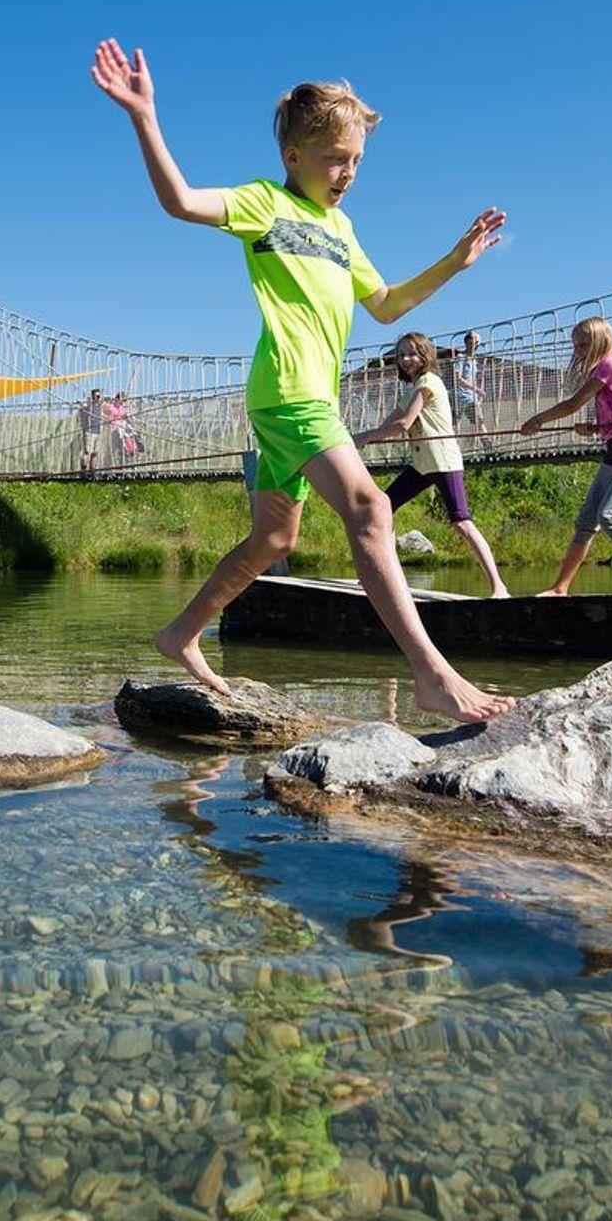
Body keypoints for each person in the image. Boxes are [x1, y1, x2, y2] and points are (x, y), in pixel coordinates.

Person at [91, 37, 509, 723]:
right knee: (371, 510)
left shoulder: (341, 229)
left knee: (275, 540)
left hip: (313, 401)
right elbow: (181, 201)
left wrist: (453, 262)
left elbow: (387, 305)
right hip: (287, 393)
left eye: (357, 161)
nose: (349, 173)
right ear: (293, 155)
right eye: (336, 158)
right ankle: (432, 676)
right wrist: (144, 117)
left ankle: (180, 634)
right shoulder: (265, 204)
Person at [353, 332, 509, 597]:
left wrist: (366, 437)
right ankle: (386, 578)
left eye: (412, 354)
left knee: (461, 522)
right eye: (401, 355)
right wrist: (358, 439)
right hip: (423, 463)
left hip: (443, 461)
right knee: (384, 508)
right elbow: (390, 422)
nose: (406, 359)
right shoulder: (413, 388)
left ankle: (499, 586)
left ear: (425, 356)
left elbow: (404, 423)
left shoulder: (428, 382)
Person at [518, 315, 612, 598]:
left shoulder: (611, 364)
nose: (578, 352)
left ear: (600, 342)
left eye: (583, 345)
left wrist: (538, 419)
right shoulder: (607, 368)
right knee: (585, 523)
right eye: (575, 346)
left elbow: (573, 404)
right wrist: (595, 427)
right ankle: (559, 588)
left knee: (610, 516)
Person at [454, 331, 495, 453]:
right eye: (473, 341)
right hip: (460, 397)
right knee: (454, 424)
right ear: (467, 342)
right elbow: (458, 378)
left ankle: (489, 448)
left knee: (479, 421)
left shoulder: (474, 360)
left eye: (477, 342)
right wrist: (476, 389)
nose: (476, 344)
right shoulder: (461, 358)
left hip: (471, 397)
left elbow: (472, 378)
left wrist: (476, 392)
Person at [107, 391, 145, 458]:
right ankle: (128, 449)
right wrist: (113, 420)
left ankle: (135, 448)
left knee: (132, 432)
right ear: (117, 399)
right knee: (122, 433)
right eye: (122, 400)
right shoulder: (111, 407)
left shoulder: (122, 408)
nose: (123, 402)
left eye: (124, 400)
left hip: (123, 425)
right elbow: (108, 418)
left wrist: (131, 423)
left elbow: (127, 418)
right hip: (116, 427)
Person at [78, 388, 104, 475]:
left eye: (99, 395)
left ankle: (93, 471)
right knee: (87, 451)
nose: (98, 397)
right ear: (93, 396)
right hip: (89, 432)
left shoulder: (99, 406)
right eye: (97, 396)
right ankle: (84, 470)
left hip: (97, 431)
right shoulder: (89, 405)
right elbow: (83, 407)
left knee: (95, 453)